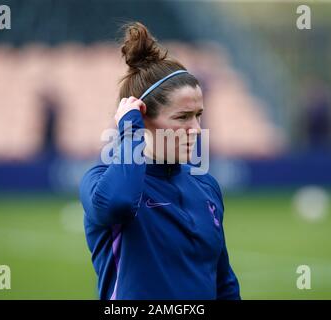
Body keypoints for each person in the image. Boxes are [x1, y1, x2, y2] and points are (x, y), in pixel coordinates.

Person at [79, 22, 240, 300]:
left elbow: (223, 282)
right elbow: (117, 204)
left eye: (198, 115)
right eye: (182, 117)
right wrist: (129, 131)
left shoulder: (205, 184)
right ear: (141, 119)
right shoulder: (100, 180)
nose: (196, 130)